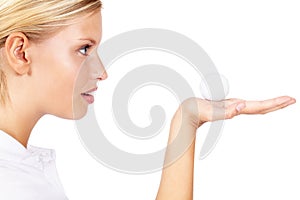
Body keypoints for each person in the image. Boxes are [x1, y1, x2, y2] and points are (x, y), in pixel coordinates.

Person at [0, 0, 296, 199]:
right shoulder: (11, 183)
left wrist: (187, 119)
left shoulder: (19, 168)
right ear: (20, 53)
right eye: (84, 49)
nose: (101, 72)